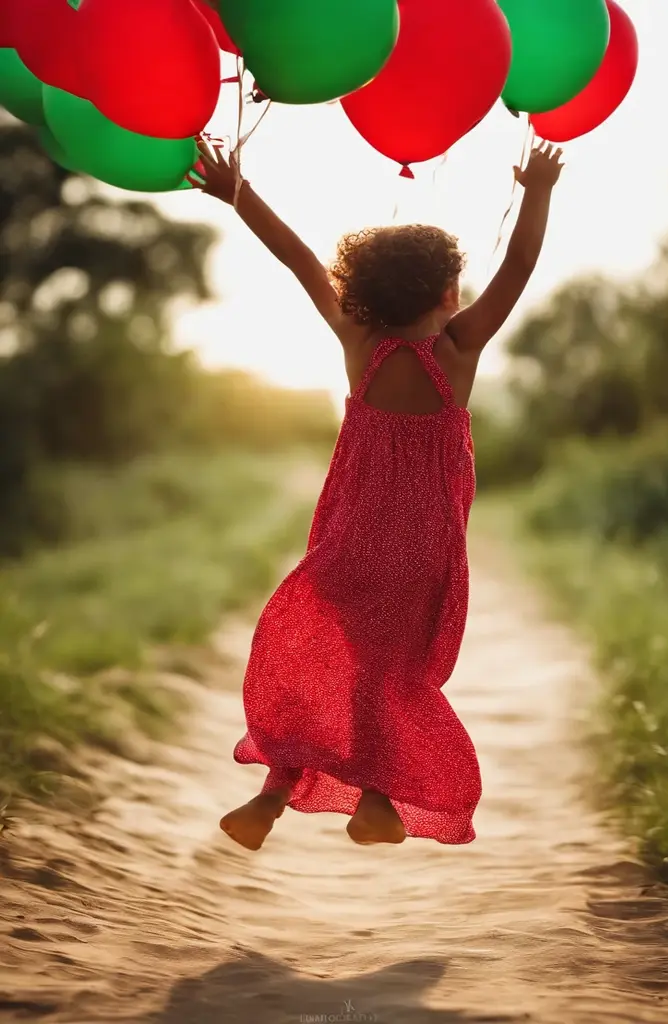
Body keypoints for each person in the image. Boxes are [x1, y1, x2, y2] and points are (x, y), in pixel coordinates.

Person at [192, 137, 563, 849]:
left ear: (362, 291)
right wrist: (538, 189)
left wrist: (237, 192)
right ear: (446, 292)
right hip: (423, 550)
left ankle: (272, 794)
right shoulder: (456, 352)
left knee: (322, 660)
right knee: (389, 674)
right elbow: (519, 266)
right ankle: (378, 799)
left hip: (351, 542)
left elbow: (300, 258)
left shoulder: (357, 342)